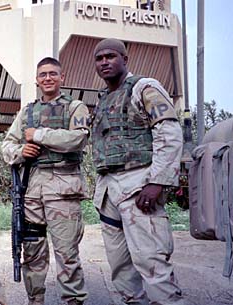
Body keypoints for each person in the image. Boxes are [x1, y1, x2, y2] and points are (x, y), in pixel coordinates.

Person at [91, 38, 187, 305]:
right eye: (99, 59)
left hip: (139, 186)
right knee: (121, 269)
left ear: (125, 59)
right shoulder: (102, 99)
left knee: (152, 263)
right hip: (109, 192)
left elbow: (169, 133)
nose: (104, 62)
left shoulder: (145, 87)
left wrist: (157, 182)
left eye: (110, 56)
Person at [2, 57, 89, 305]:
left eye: (53, 74)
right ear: (37, 80)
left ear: (62, 78)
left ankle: (73, 301)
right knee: (32, 251)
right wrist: (21, 152)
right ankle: (35, 300)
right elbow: (6, 145)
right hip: (31, 192)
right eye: (43, 75)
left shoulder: (75, 107)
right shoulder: (27, 112)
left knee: (67, 254)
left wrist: (39, 135)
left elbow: (78, 139)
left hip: (63, 189)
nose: (48, 78)